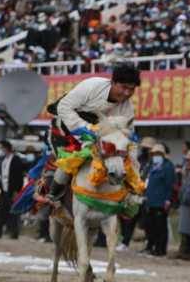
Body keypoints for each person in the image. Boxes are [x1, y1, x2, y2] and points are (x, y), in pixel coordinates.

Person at [46, 64, 139, 202]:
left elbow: (127, 135)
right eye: (124, 87)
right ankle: (51, 197)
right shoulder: (91, 85)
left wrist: (134, 165)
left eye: (131, 89)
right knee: (69, 161)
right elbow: (64, 107)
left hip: (98, 140)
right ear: (113, 82)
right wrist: (85, 128)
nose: (127, 93)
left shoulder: (128, 109)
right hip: (64, 130)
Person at [143, 144, 175, 257]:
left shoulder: (168, 166)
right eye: (154, 154)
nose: (155, 156)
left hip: (161, 201)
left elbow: (170, 184)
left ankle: (161, 249)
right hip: (150, 200)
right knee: (150, 225)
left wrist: (168, 199)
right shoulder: (152, 166)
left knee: (160, 226)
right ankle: (152, 246)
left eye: (158, 154)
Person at [0, 140, 27, 239]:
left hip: (12, 191)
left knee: (13, 213)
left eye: (2, 148)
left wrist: (17, 191)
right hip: (4, 191)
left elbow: (19, 177)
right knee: (1, 212)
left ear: (6, 148)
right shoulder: (4, 161)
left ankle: (14, 233)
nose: (1, 150)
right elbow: (3, 176)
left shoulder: (16, 159)